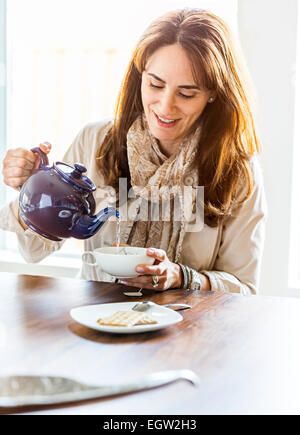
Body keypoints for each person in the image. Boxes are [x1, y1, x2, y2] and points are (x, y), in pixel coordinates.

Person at [0, 8, 267, 294]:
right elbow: (35, 252)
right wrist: (32, 188)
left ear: (213, 92)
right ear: (139, 75)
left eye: (187, 93)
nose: (165, 106)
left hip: (189, 332)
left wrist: (182, 277)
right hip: (98, 322)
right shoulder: (95, 141)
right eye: (155, 84)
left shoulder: (235, 169)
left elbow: (245, 287)